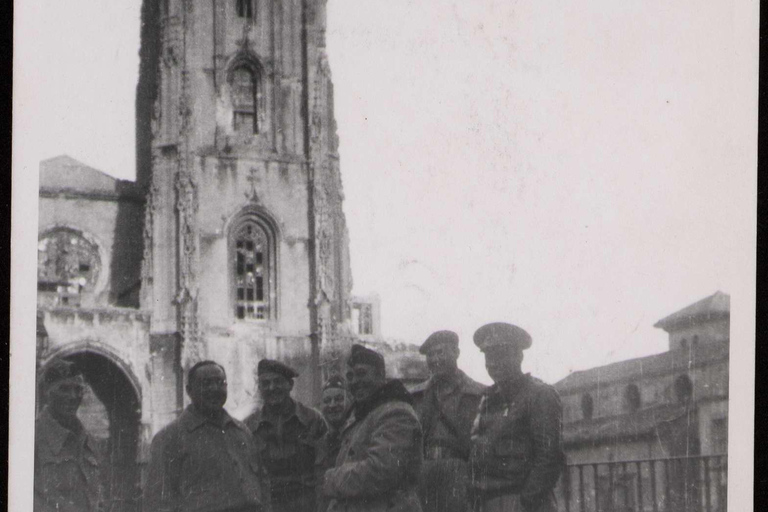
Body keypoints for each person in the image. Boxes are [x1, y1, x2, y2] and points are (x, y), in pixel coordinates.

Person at [144, 361, 265, 512]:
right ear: (189, 390)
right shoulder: (169, 438)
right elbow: (158, 503)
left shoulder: (241, 431)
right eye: (206, 384)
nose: (214, 389)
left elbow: (261, 486)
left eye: (220, 383)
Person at [469, 323, 564, 512]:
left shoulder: (539, 394)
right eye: (489, 357)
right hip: (488, 502)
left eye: (500, 355)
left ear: (518, 357)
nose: (493, 363)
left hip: (524, 503)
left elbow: (549, 457)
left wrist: (525, 503)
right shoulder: (488, 398)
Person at [321, 344, 423, 512]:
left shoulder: (396, 413)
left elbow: (380, 471)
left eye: (361, 374)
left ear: (381, 376)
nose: (355, 382)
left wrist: (331, 479)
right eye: (350, 376)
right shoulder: (365, 415)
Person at [411, 330, 486, 512]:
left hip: (461, 475)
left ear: (456, 353)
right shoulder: (416, 396)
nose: (435, 359)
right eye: (430, 355)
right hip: (423, 474)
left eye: (440, 352)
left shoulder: (478, 393)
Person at [245, 360, 327, 512]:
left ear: (290, 385)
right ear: (260, 388)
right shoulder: (249, 427)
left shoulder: (312, 420)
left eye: (278, 382)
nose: (272, 388)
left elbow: (324, 471)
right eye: (265, 383)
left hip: (307, 506)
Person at [35, 358, 104, 512]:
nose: (73, 396)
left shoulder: (88, 442)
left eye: (78, 389)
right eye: (64, 389)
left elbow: (97, 499)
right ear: (47, 392)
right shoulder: (32, 439)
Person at [315, 375, 351, 512]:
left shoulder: (358, 436)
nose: (332, 405)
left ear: (349, 402)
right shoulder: (319, 444)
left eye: (339, 399)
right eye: (327, 401)